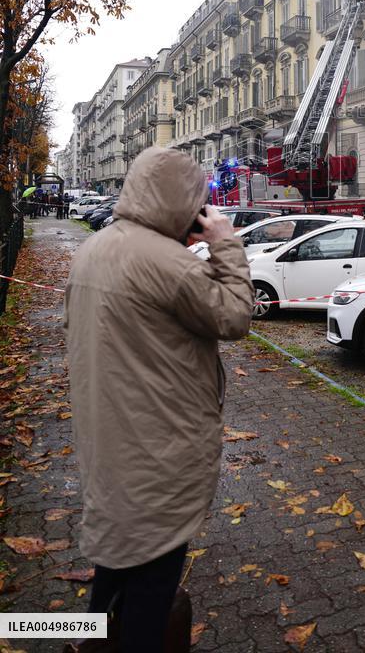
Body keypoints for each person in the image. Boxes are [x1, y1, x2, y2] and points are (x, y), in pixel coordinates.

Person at [64, 147, 254, 653]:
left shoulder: (96, 247)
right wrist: (226, 244)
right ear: (180, 201)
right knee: (151, 593)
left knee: (114, 566)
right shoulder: (168, 263)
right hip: (156, 452)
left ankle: (82, 640)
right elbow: (234, 317)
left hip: (109, 439)